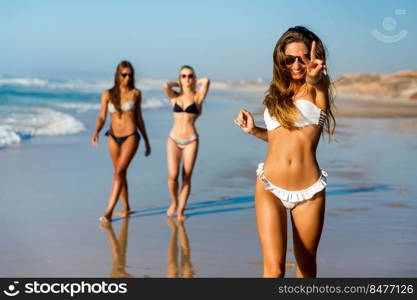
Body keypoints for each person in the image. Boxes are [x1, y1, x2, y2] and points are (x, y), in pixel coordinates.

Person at [234, 26, 336, 277]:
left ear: (314, 59)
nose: (297, 64)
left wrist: (316, 78)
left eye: (304, 57)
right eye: (290, 59)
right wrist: (254, 130)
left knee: (306, 265)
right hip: (269, 186)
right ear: (282, 60)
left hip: (308, 191)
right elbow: (279, 139)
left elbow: (319, 83)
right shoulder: (278, 93)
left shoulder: (318, 91)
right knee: (274, 270)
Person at [92, 60, 151, 223]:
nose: (127, 78)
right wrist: (96, 131)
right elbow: (102, 116)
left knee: (118, 172)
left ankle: (108, 212)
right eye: (124, 74)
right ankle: (125, 207)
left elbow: (139, 119)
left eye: (130, 75)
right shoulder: (107, 94)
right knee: (120, 172)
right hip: (112, 136)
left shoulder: (136, 93)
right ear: (117, 75)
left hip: (131, 136)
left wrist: (146, 141)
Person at [163, 65, 210, 220]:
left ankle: (181, 210)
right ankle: (174, 202)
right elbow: (165, 86)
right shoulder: (175, 97)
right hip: (173, 139)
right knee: (172, 176)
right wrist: (179, 84)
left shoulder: (198, 98)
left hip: (191, 140)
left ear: (194, 78)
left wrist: (193, 83)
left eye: (190, 76)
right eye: (183, 76)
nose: (187, 79)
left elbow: (206, 81)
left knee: (186, 176)